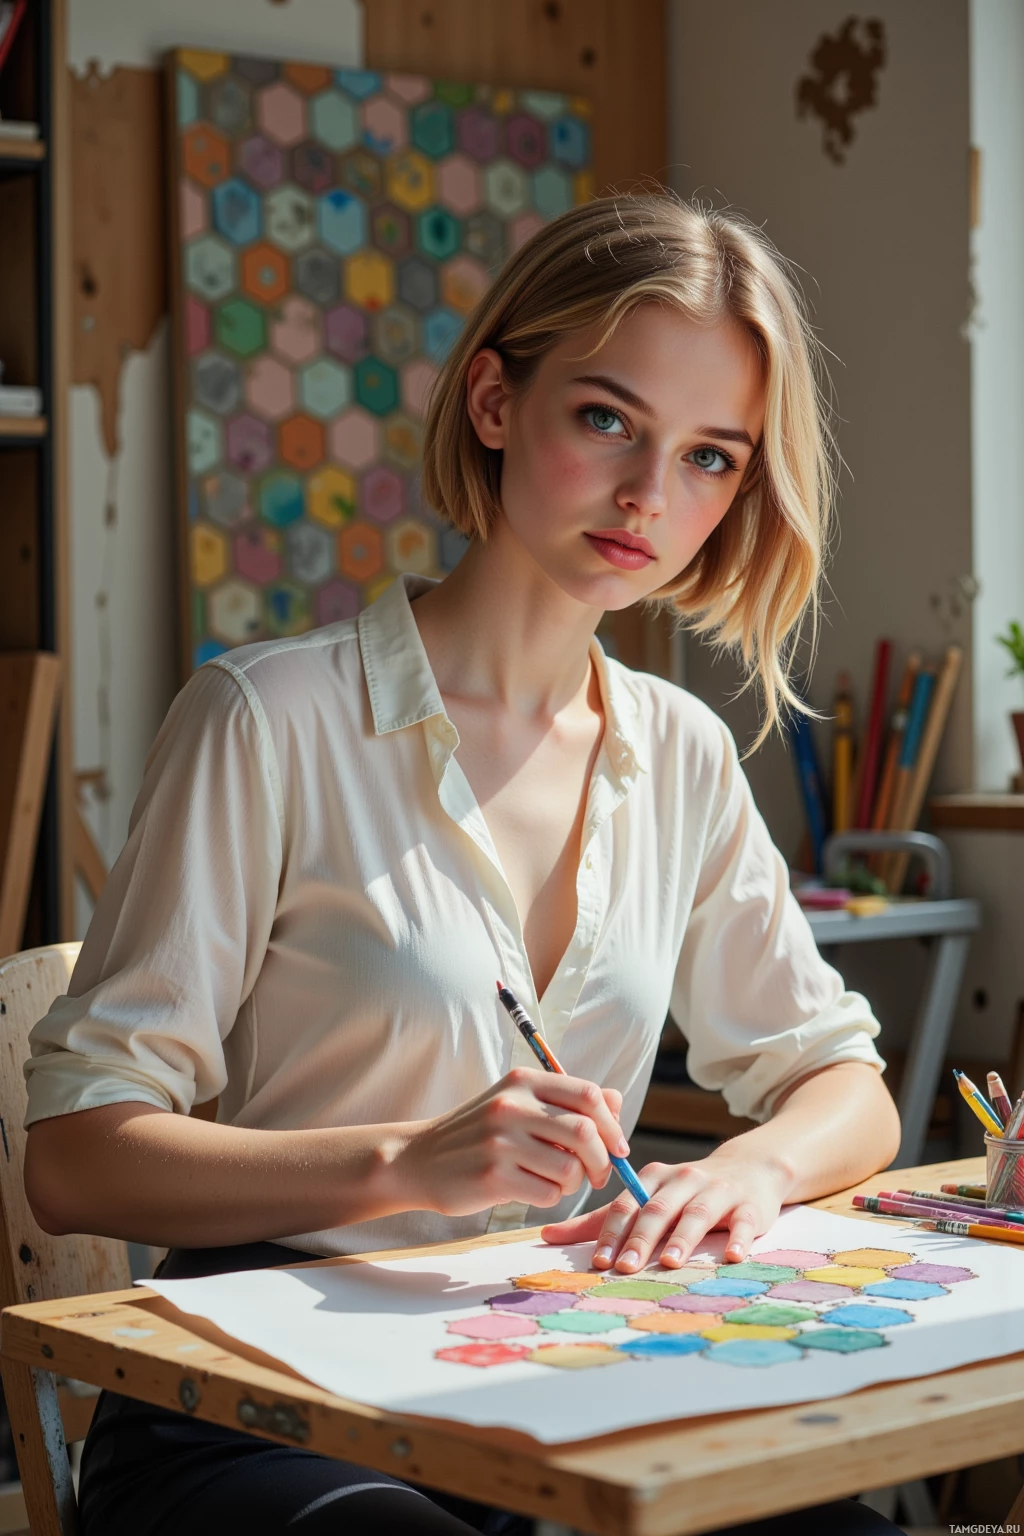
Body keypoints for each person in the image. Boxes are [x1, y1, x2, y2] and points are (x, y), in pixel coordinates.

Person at [23, 192, 901, 1535]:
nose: (648, 498)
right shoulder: (267, 719)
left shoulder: (681, 754)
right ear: (496, 400)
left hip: (551, 1382)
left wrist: (755, 1169)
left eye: (712, 458)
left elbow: (845, 1087)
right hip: (261, 1410)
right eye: (606, 418)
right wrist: (403, 1162)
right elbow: (79, 1163)